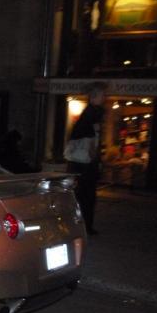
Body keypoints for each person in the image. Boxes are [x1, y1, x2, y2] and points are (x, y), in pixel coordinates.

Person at [64, 82, 106, 235]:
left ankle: (84, 225)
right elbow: (89, 140)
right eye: (102, 95)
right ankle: (82, 226)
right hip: (84, 165)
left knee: (85, 195)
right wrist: (94, 156)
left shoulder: (91, 114)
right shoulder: (91, 114)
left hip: (83, 164)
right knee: (85, 195)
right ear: (94, 97)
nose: (104, 98)